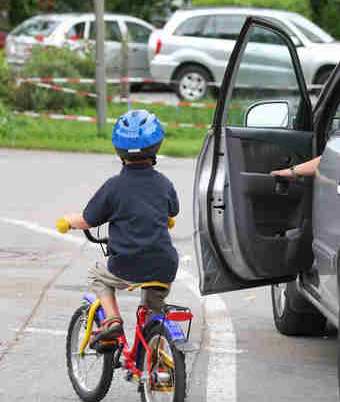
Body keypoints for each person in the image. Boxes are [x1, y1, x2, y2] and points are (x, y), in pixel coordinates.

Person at [58, 110, 179, 344]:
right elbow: (171, 211)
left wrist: (69, 221)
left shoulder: (114, 187)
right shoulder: (164, 183)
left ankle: (113, 321)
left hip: (127, 265)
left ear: (119, 150)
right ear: (157, 146)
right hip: (164, 264)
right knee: (154, 305)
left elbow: (88, 219)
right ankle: (155, 343)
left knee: (98, 275)